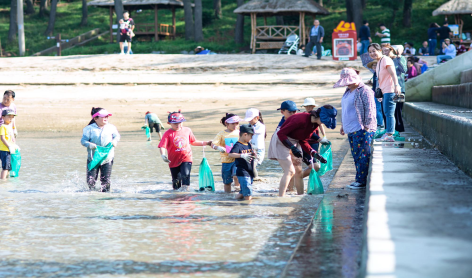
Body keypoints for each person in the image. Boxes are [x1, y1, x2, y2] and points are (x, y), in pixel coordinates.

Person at [269, 106, 337, 197]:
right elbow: (281, 133)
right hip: (281, 140)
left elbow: (303, 140)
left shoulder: (314, 124)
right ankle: (281, 198)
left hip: (295, 141)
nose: (324, 124)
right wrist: (292, 147)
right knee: (290, 171)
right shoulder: (301, 119)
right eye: (324, 121)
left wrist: (315, 155)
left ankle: (300, 195)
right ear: (320, 116)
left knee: (298, 171)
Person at [335, 68, 377, 190]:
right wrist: (343, 125)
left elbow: (370, 109)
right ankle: (358, 179)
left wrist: (368, 126)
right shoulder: (348, 91)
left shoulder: (365, 91)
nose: (347, 83)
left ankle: (361, 181)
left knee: (362, 155)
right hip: (351, 128)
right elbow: (347, 110)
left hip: (362, 128)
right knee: (355, 154)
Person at [158, 111, 211, 191]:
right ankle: (177, 198)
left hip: (186, 158)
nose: (178, 125)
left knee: (186, 175)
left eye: (180, 123)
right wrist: (163, 155)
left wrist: (206, 143)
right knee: (176, 183)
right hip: (173, 160)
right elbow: (162, 146)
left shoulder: (187, 130)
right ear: (169, 123)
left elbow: (193, 141)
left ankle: (186, 194)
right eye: (175, 123)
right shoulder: (167, 134)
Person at [81, 107, 120, 192]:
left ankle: (105, 198)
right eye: (103, 116)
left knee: (105, 181)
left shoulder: (111, 127)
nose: (106, 118)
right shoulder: (89, 129)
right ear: (95, 118)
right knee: (90, 181)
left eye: (107, 116)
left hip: (107, 158)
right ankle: (93, 196)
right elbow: (83, 141)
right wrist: (90, 145)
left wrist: (114, 141)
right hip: (93, 158)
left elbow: (117, 136)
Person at [369, 43, 401, 142]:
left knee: (389, 113)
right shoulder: (379, 62)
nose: (372, 53)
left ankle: (390, 134)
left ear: (380, 50)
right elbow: (381, 79)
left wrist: (396, 85)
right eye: (370, 52)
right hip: (384, 91)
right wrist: (380, 92)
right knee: (386, 112)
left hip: (390, 90)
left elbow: (393, 73)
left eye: (374, 51)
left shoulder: (386, 59)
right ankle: (388, 133)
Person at [211, 113, 241, 193]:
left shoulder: (240, 132)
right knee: (227, 181)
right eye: (233, 123)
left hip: (237, 159)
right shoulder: (221, 134)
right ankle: (227, 196)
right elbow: (213, 144)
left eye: (237, 123)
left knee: (236, 175)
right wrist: (218, 147)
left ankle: (238, 191)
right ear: (227, 123)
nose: (235, 125)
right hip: (226, 161)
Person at [228, 124, 257, 201]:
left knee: (242, 191)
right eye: (251, 136)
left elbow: (250, 153)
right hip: (242, 172)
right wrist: (241, 155)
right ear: (245, 134)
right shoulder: (238, 145)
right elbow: (230, 154)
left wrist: (254, 154)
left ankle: (231, 202)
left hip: (249, 171)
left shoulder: (248, 144)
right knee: (248, 192)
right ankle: (248, 207)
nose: (251, 138)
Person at [244, 108, 266, 178]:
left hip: (258, 150)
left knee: (252, 165)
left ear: (257, 118)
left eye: (250, 119)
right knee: (249, 165)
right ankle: (253, 178)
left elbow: (253, 132)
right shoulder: (249, 125)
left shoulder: (261, 126)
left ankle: (256, 178)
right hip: (249, 149)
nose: (249, 121)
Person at [0, 109, 18, 180]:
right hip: (4, 150)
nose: (11, 119)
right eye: (9, 117)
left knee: (8, 167)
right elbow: (2, 138)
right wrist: (9, 146)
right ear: (3, 117)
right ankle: (3, 181)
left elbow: (10, 139)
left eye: (12, 117)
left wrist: (14, 146)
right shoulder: (3, 127)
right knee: (5, 167)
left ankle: (5, 180)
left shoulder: (9, 127)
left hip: (8, 149)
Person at [367, 60, 384, 129]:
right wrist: (370, 83)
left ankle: (380, 123)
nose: (374, 66)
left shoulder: (379, 74)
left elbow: (380, 84)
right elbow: (375, 85)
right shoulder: (375, 74)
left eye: (375, 65)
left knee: (377, 109)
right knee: (375, 108)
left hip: (378, 94)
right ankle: (379, 123)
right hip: (375, 93)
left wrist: (380, 95)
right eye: (373, 65)